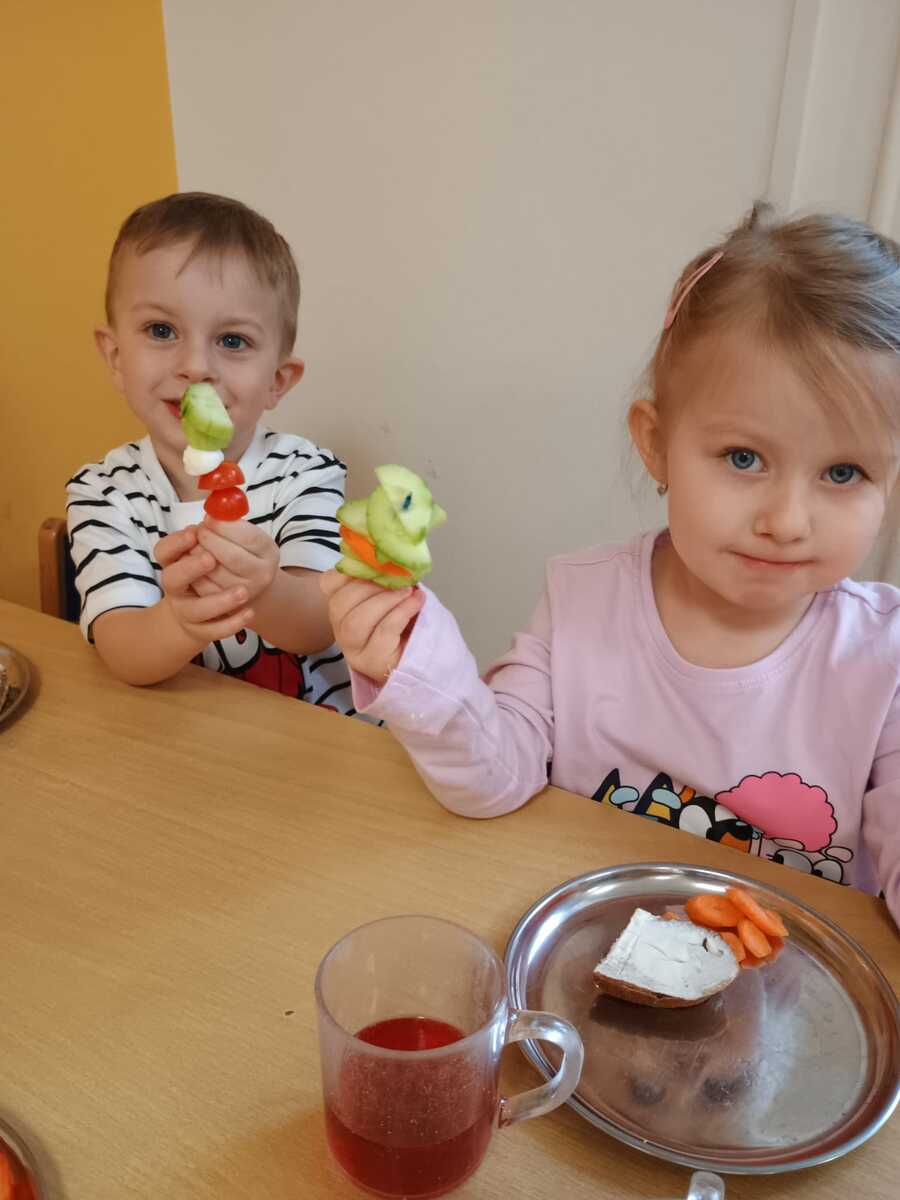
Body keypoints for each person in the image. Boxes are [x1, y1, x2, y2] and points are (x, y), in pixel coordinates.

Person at [323, 203, 900, 921]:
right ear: (656, 444)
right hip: (591, 954)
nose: (786, 522)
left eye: (843, 473)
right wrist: (419, 661)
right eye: (744, 458)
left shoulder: (885, 658)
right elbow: (493, 778)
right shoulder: (581, 600)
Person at [67, 192, 354, 712]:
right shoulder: (103, 493)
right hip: (184, 737)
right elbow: (122, 650)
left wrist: (265, 592)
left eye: (232, 341)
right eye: (161, 331)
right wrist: (179, 622)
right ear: (115, 356)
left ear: (277, 380)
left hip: (316, 738)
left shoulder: (306, 473)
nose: (196, 366)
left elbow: (320, 623)